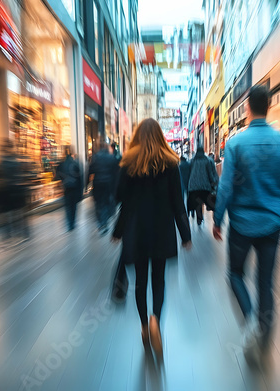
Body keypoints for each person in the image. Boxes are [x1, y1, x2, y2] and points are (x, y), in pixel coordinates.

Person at [213, 84, 280, 363]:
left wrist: (217, 219)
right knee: (266, 282)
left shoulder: (235, 144)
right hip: (272, 226)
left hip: (240, 224)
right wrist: (277, 209)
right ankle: (264, 337)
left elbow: (226, 188)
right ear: (270, 106)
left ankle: (249, 319)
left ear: (248, 108)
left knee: (236, 274)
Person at [112, 118, 192, 357]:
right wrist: (185, 235)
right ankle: (156, 318)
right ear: (160, 137)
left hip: (136, 232)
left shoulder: (128, 165)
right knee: (159, 280)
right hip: (162, 230)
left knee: (140, 282)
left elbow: (121, 200)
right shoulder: (170, 164)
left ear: (137, 137)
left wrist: (118, 231)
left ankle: (145, 327)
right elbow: (179, 204)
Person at [0, 140, 33, 240]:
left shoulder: (2, 162)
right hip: (16, 190)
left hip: (8, 191)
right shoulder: (16, 161)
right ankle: (24, 232)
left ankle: (9, 233)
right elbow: (22, 175)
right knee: (19, 213)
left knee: (8, 214)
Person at [89, 143, 120, 233]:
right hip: (108, 184)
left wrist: (87, 184)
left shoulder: (95, 157)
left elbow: (90, 170)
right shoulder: (111, 157)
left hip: (98, 183)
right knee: (106, 202)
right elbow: (116, 173)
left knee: (99, 203)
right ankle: (105, 222)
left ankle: (101, 222)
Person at [187, 146, 218, 225]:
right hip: (205, 185)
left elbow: (189, 173)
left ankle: (199, 219)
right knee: (210, 202)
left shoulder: (192, 161)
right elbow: (210, 173)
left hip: (194, 186)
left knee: (198, 203)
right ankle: (216, 219)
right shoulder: (207, 160)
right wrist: (213, 183)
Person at [56, 146, 83, 232]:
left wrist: (62, 182)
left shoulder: (61, 164)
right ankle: (72, 222)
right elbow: (79, 178)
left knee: (68, 206)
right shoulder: (75, 163)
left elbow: (58, 175)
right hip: (74, 187)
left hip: (66, 188)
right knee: (73, 206)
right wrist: (81, 190)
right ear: (72, 153)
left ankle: (69, 223)